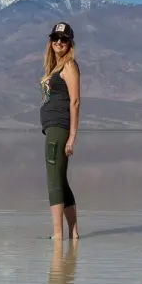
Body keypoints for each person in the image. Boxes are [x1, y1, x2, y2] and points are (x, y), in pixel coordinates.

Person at [39, 21, 81, 240]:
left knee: (53, 180)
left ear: (70, 43)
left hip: (59, 129)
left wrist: (72, 136)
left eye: (63, 39)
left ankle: (57, 235)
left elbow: (74, 102)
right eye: (55, 38)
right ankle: (73, 234)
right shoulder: (54, 67)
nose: (59, 42)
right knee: (61, 181)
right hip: (52, 129)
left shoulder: (69, 66)